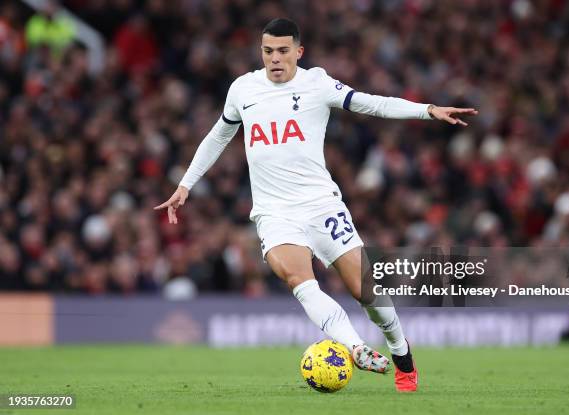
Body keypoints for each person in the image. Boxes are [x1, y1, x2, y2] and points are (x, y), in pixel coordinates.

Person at [155, 18, 477, 392]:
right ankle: (356, 348)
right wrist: (185, 184)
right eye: (268, 51)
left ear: (298, 52)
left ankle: (401, 352)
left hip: (322, 205)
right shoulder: (243, 89)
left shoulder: (317, 83)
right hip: (274, 213)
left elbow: (370, 104)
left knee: (366, 290)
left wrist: (427, 110)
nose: (275, 58)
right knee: (299, 281)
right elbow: (217, 136)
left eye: (282, 51)